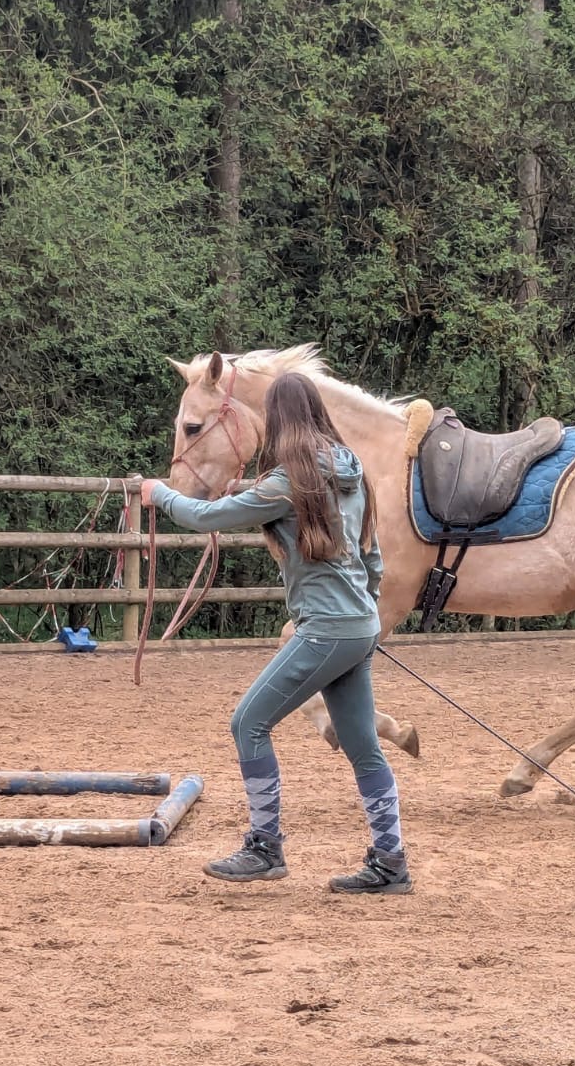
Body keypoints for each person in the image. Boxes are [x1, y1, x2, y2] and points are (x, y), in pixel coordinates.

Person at [142, 372, 410, 894]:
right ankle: (390, 862)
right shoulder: (352, 474)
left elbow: (208, 515)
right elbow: (372, 557)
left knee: (248, 724)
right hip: (356, 626)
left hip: (327, 630)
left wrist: (160, 494)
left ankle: (265, 848)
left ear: (280, 421)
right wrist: (361, 616)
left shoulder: (292, 482)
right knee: (362, 748)